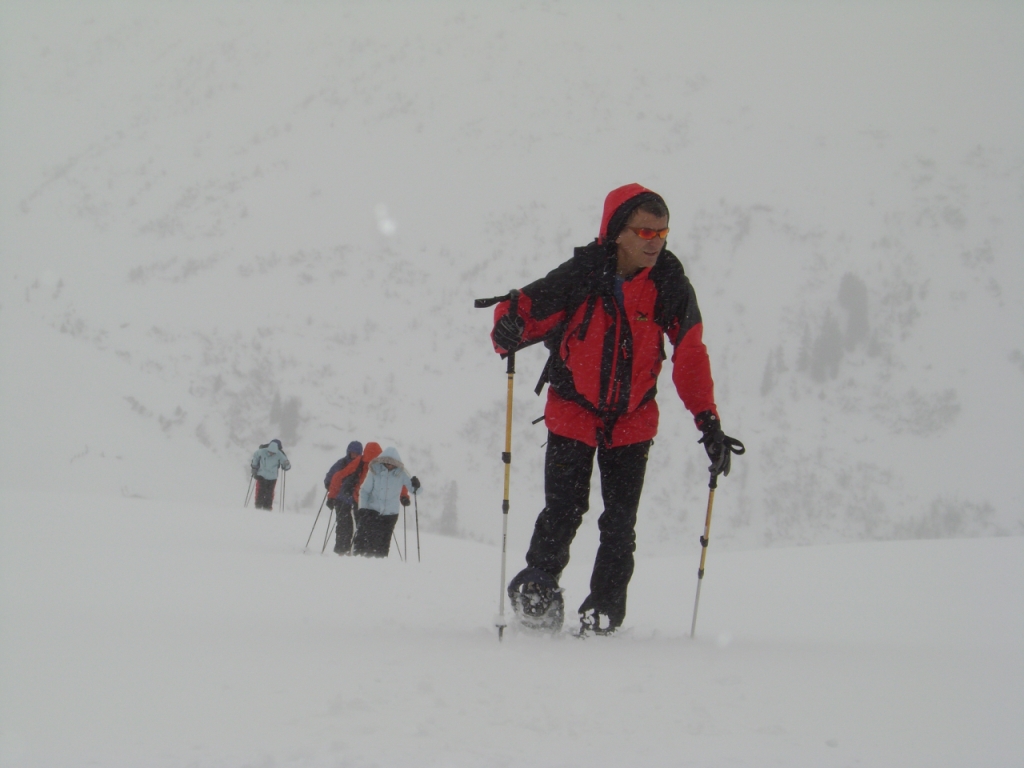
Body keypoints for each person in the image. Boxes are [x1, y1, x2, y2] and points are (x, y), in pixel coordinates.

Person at [489, 183, 742, 635]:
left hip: (632, 421)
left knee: (620, 524)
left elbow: (690, 354)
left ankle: (603, 610)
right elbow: (521, 309)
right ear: (616, 231)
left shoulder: (669, 282)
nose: (655, 241)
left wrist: (709, 422)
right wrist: (505, 329)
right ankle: (537, 590)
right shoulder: (582, 273)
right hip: (573, 411)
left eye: (662, 232)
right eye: (645, 231)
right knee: (563, 510)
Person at [352, 447, 420, 558]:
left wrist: (416, 485)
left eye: (392, 463)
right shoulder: (374, 470)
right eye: (387, 462)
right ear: (382, 460)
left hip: (390, 514)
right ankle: (359, 559)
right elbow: (364, 491)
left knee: (383, 543)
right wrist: (362, 508)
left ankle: (380, 562)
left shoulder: (401, 474)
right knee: (364, 538)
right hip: (372, 510)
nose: (389, 465)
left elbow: (415, 490)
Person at [326, 442, 382, 555]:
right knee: (348, 526)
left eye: (356, 453)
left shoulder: (361, 463)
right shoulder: (352, 463)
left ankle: (352, 551)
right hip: (347, 498)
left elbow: (336, 476)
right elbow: (335, 476)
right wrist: (332, 493)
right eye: (352, 453)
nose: (354, 455)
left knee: (356, 527)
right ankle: (351, 552)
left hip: (357, 499)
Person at [250, 439, 291, 510]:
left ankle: (265, 508)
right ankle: (260, 508)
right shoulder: (264, 452)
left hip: (270, 477)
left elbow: (285, 464)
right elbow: (255, 457)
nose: (272, 453)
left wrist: (254, 467)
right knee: (262, 492)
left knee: (267, 493)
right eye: (270, 452)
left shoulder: (278, 453)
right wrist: (254, 467)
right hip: (264, 476)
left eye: (273, 452)